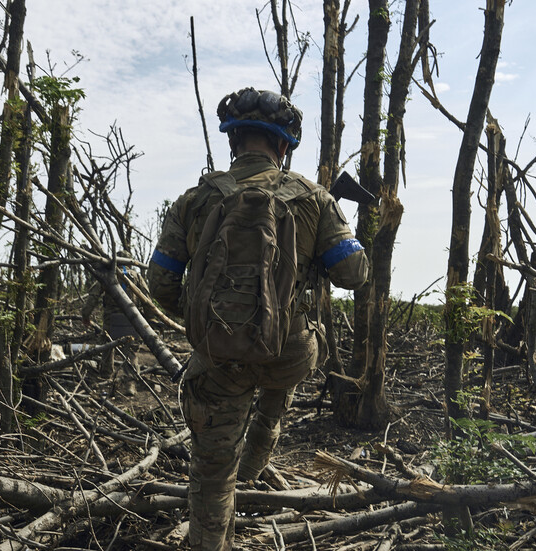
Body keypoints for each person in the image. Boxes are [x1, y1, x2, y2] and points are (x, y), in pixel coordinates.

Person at [147, 87, 369, 550]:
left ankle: (220, 513)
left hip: (219, 357)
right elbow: (354, 275)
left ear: (234, 141)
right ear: (285, 145)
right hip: (288, 354)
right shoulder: (315, 198)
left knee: (211, 473)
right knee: (280, 372)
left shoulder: (194, 200)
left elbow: (161, 284)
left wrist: (207, 325)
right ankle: (258, 448)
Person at [80, 249, 152, 394]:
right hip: (132, 318)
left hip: (111, 318)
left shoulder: (107, 274)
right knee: (130, 352)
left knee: (107, 347)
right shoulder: (136, 276)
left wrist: (85, 315)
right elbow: (146, 298)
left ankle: (105, 377)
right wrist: (149, 318)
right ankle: (129, 384)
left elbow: (93, 296)